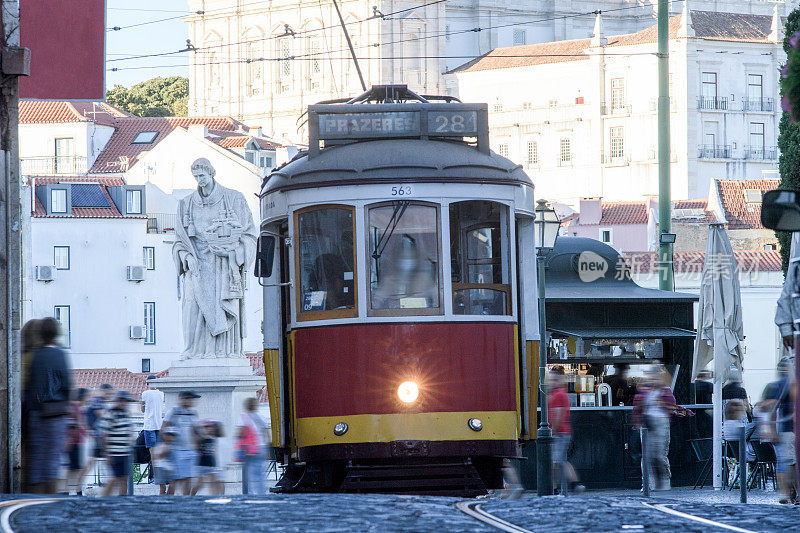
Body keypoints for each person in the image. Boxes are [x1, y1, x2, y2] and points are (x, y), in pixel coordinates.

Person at [173, 158, 257, 358]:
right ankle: (193, 350)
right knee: (191, 308)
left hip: (223, 266)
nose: (199, 180)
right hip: (197, 266)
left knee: (223, 307)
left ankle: (223, 351)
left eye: (202, 175)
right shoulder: (185, 205)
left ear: (212, 173)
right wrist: (186, 257)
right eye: (196, 176)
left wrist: (233, 252)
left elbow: (250, 236)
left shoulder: (234, 199)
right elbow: (178, 242)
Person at [22, 317, 72, 493]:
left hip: (36, 413)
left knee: (36, 461)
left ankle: (33, 501)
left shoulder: (36, 356)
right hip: (56, 415)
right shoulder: (60, 355)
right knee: (53, 461)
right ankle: (50, 503)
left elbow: (30, 386)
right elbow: (67, 385)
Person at [632, 367, 693, 492]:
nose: (653, 378)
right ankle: (648, 484)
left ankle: (664, 480)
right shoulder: (644, 390)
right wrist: (638, 421)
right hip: (647, 425)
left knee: (660, 455)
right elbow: (638, 407)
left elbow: (671, 407)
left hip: (661, 423)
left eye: (655, 376)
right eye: (651, 376)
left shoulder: (665, 391)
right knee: (647, 456)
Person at [763, 358, 796, 504]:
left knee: (787, 462)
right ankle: (789, 493)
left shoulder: (781, 384)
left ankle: (788, 493)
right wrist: (772, 430)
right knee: (790, 462)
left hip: (788, 429)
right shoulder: (784, 384)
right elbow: (772, 408)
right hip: (788, 429)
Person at [547, 371, 584, 494]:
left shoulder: (557, 395)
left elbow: (558, 415)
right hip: (563, 431)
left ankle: (561, 488)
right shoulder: (561, 394)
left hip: (559, 433)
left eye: (552, 380)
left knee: (556, 462)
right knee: (559, 461)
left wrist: (552, 431)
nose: (549, 383)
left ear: (557, 381)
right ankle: (571, 485)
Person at [163, 390, 202, 495]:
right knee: (176, 480)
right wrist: (167, 443)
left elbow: (196, 430)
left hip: (190, 450)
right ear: (183, 399)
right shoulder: (173, 412)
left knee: (188, 478)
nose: (192, 401)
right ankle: (169, 501)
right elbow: (164, 428)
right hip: (176, 449)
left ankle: (186, 502)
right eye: (190, 398)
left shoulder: (193, 413)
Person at [100, 391, 136, 496]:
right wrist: (107, 454)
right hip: (114, 454)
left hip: (125, 453)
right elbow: (104, 434)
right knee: (114, 479)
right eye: (121, 400)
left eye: (125, 401)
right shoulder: (110, 414)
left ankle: (122, 501)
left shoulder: (125, 414)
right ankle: (101, 500)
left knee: (124, 479)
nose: (124, 403)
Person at [84, 383, 115, 482]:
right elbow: (103, 415)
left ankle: (107, 481)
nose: (109, 396)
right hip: (96, 436)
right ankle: (79, 485)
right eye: (108, 394)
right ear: (103, 391)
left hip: (98, 435)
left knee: (99, 460)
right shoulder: (98, 401)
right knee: (93, 460)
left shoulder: (100, 402)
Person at [240, 397, 269, 495]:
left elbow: (241, 434)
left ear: (246, 406)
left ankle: (248, 492)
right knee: (260, 473)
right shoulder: (262, 418)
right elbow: (266, 434)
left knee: (246, 472)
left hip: (248, 449)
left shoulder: (243, 418)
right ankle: (261, 492)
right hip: (260, 448)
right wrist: (266, 448)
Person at [65, 388, 89, 495]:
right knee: (75, 469)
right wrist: (85, 431)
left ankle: (71, 491)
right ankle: (74, 491)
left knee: (74, 468)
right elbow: (76, 424)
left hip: (75, 441)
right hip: (74, 442)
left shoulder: (74, 407)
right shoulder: (75, 408)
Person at [141, 375, 164, 481]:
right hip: (159, 425)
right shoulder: (161, 394)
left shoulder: (145, 394)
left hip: (149, 425)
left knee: (153, 453)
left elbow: (142, 409)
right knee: (158, 452)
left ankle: (154, 475)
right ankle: (158, 475)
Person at [193, 420, 224, 495]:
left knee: (212, 483)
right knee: (199, 484)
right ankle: (191, 495)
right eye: (206, 427)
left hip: (211, 464)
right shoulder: (201, 438)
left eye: (210, 427)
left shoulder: (214, 438)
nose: (209, 429)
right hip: (202, 465)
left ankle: (213, 497)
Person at [151, 428, 177, 495]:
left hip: (170, 469)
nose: (170, 437)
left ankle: (169, 499)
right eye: (168, 435)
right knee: (163, 487)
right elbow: (156, 456)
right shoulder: (160, 445)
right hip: (160, 468)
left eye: (172, 435)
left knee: (173, 485)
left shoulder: (174, 446)